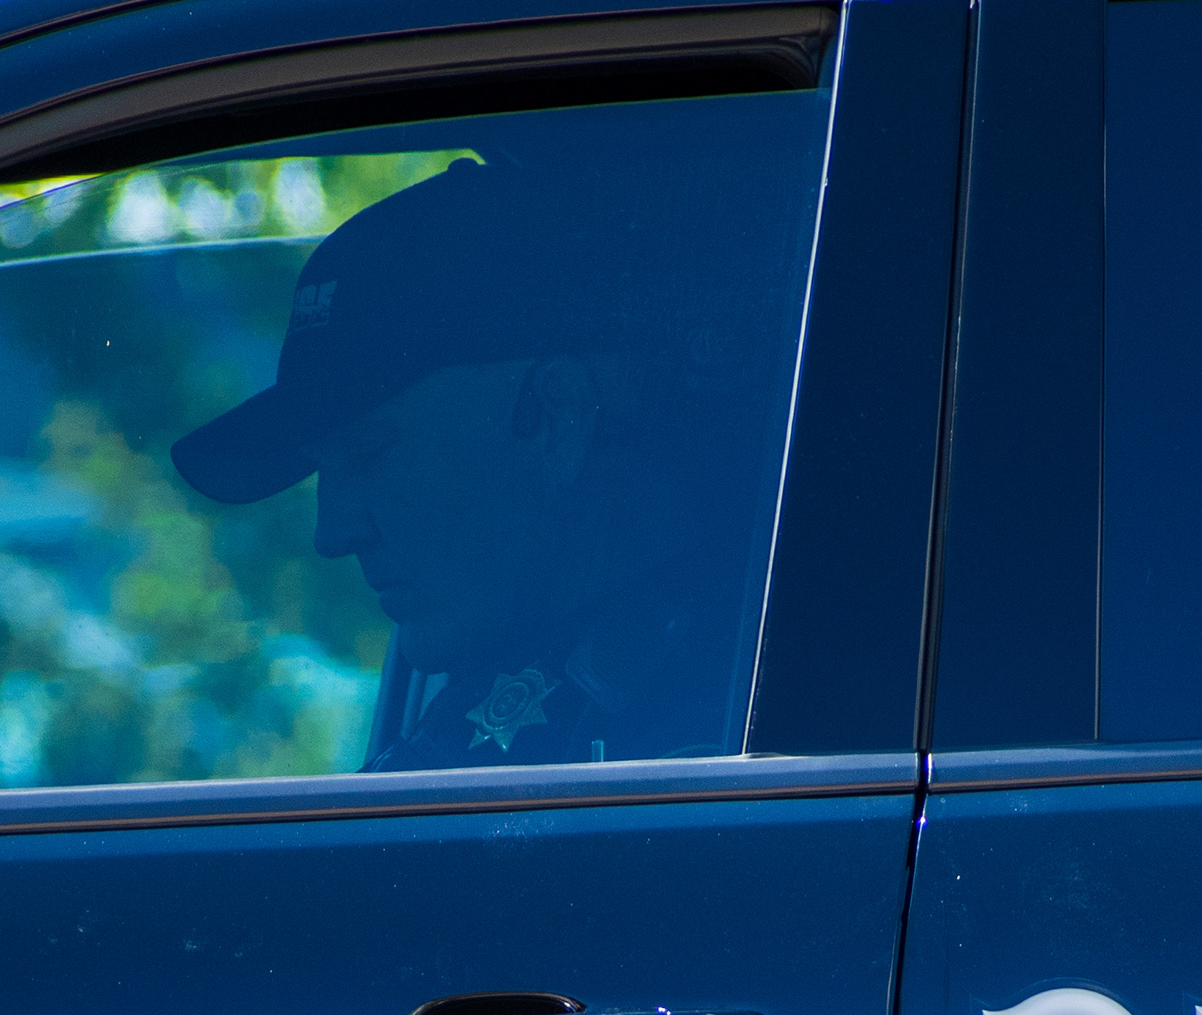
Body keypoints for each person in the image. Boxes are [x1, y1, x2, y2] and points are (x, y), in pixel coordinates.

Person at [172, 156, 772, 771]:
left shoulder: (720, 730)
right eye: (322, 467)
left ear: (555, 417)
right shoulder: (623, 706)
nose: (332, 533)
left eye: (372, 451)